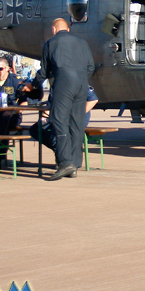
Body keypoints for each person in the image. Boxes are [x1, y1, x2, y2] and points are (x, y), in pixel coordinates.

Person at [23, 18, 95, 180]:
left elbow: (44, 70)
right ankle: (75, 164)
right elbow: (91, 66)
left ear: (54, 29)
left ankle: (64, 162)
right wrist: (81, 79)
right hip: (82, 86)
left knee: (59, 121)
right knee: (76, 124)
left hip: (63, 85)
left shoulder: (51, 43)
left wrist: (33, 85)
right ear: (67, 29)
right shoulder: (82, 42)